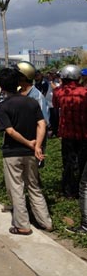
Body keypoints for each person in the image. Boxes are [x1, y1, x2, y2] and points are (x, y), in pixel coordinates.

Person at [0, 68, 52, 235]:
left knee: (16, 188)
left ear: (1, 86)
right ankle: (46, 222)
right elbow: (42, 124)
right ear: (18, 83)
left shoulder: (3, 106)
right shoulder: (32, 102)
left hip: (12, 153)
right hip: (32, 154)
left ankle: (23, 225)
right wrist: (37, 146)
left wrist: (29, 143)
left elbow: (10, 131)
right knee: (34, 187)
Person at [52, 65, 87, 201]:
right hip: (84, 134)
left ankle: (68, 191)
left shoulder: (58, 92)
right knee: (83, 163)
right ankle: (81, 189)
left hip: (66, 134)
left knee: (68, 162)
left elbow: (55, 108)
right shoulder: (84, 92)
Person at [14, 61, 49, 167]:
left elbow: (43, 123)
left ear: (24, 77)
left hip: (33, 140)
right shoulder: (18, 93)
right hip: (20, 139)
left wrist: (38, 145)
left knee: (32, 172)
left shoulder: (37, 97)